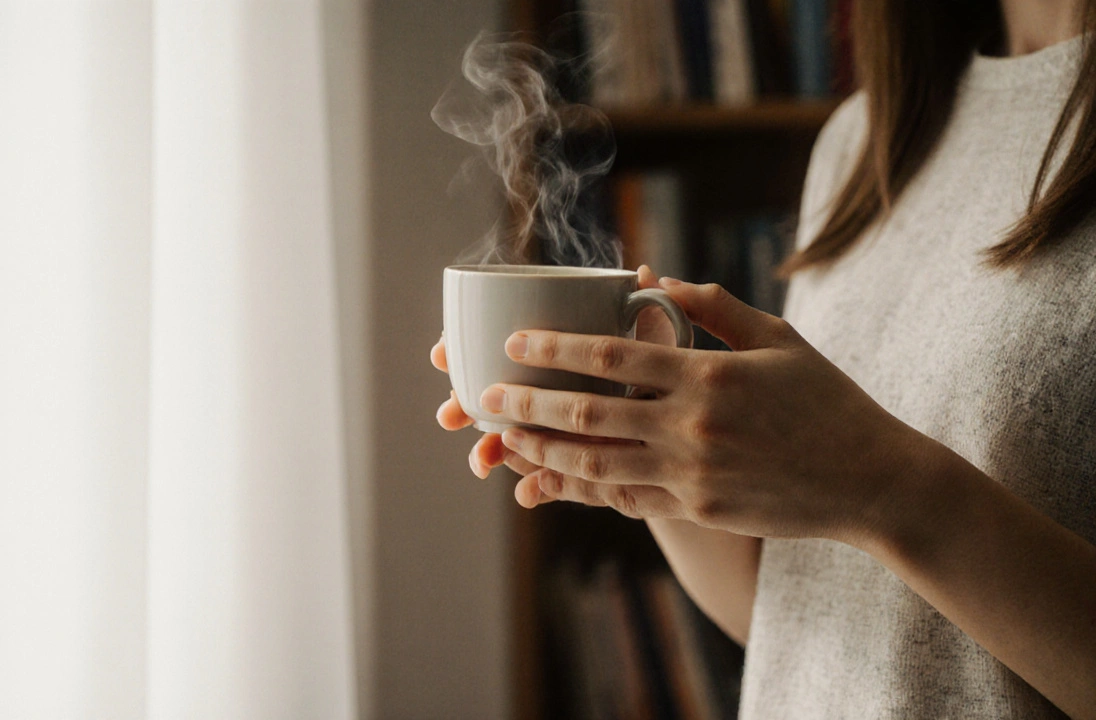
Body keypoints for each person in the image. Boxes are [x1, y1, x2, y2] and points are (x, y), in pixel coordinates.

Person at [430, 1, 1096, 717]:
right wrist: (636, 440)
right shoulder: (865, 139)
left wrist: (883, 485)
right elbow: (783, 616)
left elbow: (875, 496)